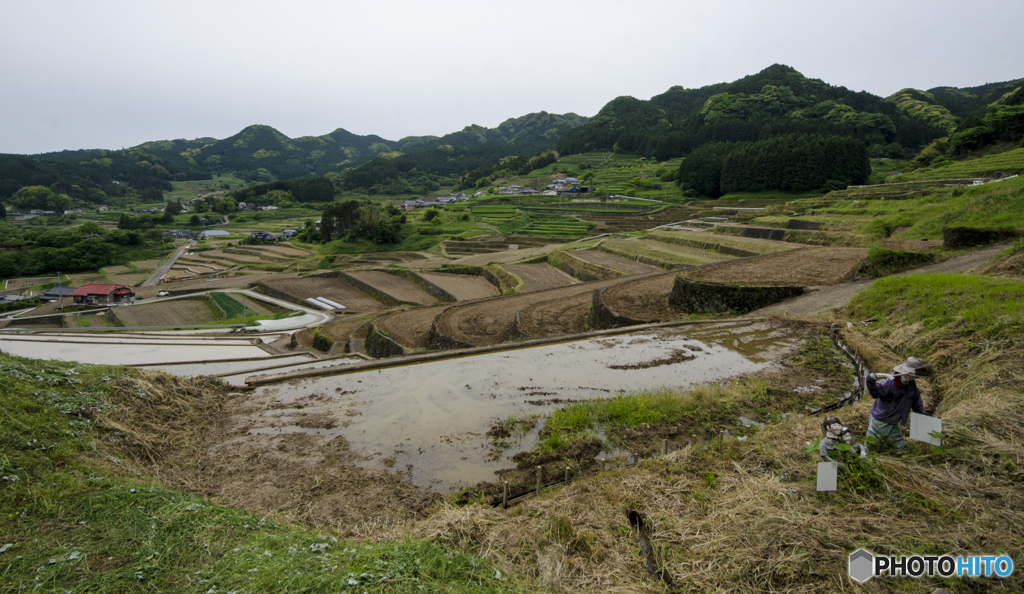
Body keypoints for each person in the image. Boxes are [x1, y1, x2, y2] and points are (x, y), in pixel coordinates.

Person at [865, 357, 931, 450]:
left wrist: (924, 422)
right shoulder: (889, 382)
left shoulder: (912, 386)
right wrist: (871, 378)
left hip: (894, 421)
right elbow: (875, 392)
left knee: (900, 447)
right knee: (872, 446)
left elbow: (917, 405)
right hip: (881, 420)